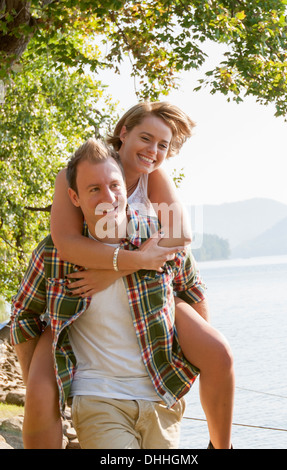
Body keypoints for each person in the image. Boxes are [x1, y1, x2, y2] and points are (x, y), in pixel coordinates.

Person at [14, 102, 235, 449]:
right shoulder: (83, 171)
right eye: (146, 138)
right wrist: (116, 268)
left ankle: (221, 444)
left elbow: (181, 234)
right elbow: (66, 244)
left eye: (163, 145)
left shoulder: (152, 175)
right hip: (93, 284)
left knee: (218, 352)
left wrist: (120, 270)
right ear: (123, 134)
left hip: (151, 284)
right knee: (40, 395)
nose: (153, 151)